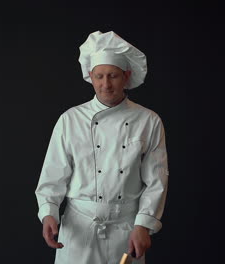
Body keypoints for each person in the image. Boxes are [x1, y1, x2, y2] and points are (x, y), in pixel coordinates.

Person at [35, 31, 169, 264]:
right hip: (79, 230)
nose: (105, 84)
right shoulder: (70, 119)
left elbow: (156, 181)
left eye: (113, 76)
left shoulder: (149, 120)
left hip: (125, 231)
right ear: (90, 76)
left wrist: (143, 225)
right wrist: (48, 213)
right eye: (99, 76)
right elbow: (53, 175)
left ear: (126, 76)